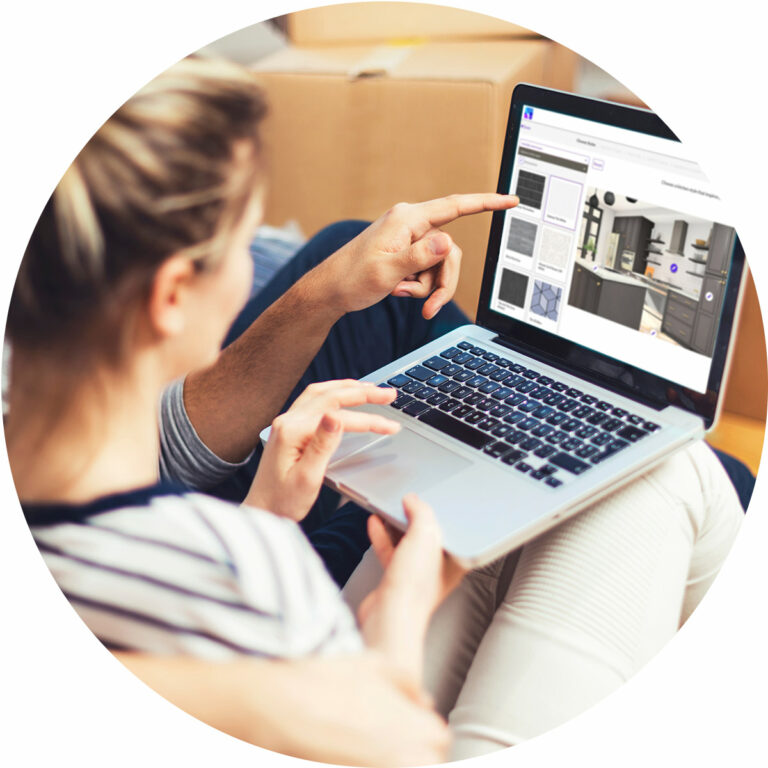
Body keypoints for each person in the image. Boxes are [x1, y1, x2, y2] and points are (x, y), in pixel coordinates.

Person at [5, 56, 744, 762]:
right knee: (678, 472)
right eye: (243, 243)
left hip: (244, 522)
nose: (249, 264)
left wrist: (267, 505)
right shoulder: (253, 577)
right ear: (170, 296)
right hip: (325, 597)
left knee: (342, 254)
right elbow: (388, 740)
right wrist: (396, 620)